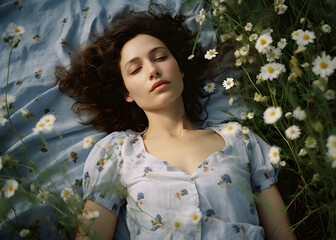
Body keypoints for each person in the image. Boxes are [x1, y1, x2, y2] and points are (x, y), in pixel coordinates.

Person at [56, 4, 297, 240]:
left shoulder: (239, 139)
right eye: (135, 69)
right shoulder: (116, 154)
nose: (152, 70)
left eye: (160, 57)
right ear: (126, 93)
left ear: (180, 69)